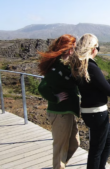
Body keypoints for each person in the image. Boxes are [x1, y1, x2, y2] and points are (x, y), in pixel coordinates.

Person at [71, 33, 110, 169]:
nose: (98, 50)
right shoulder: (91, 67)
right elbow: (109, 90)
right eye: (98, 47)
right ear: (93, 48)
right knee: (96, 150)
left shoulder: (79, 65)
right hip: (97, 113)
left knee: (108, 140)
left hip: (89, 112)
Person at [37, 34, 80, 169]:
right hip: (60, 112)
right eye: (75, 47)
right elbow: (42, 87)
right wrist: (56, 98)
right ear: (69, 49)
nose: (76, 49)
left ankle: (60, 165)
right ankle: (59, 166)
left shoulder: (64, 65)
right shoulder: (56, 69)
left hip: (67, 112)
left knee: (75, 143)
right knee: (60, 147)